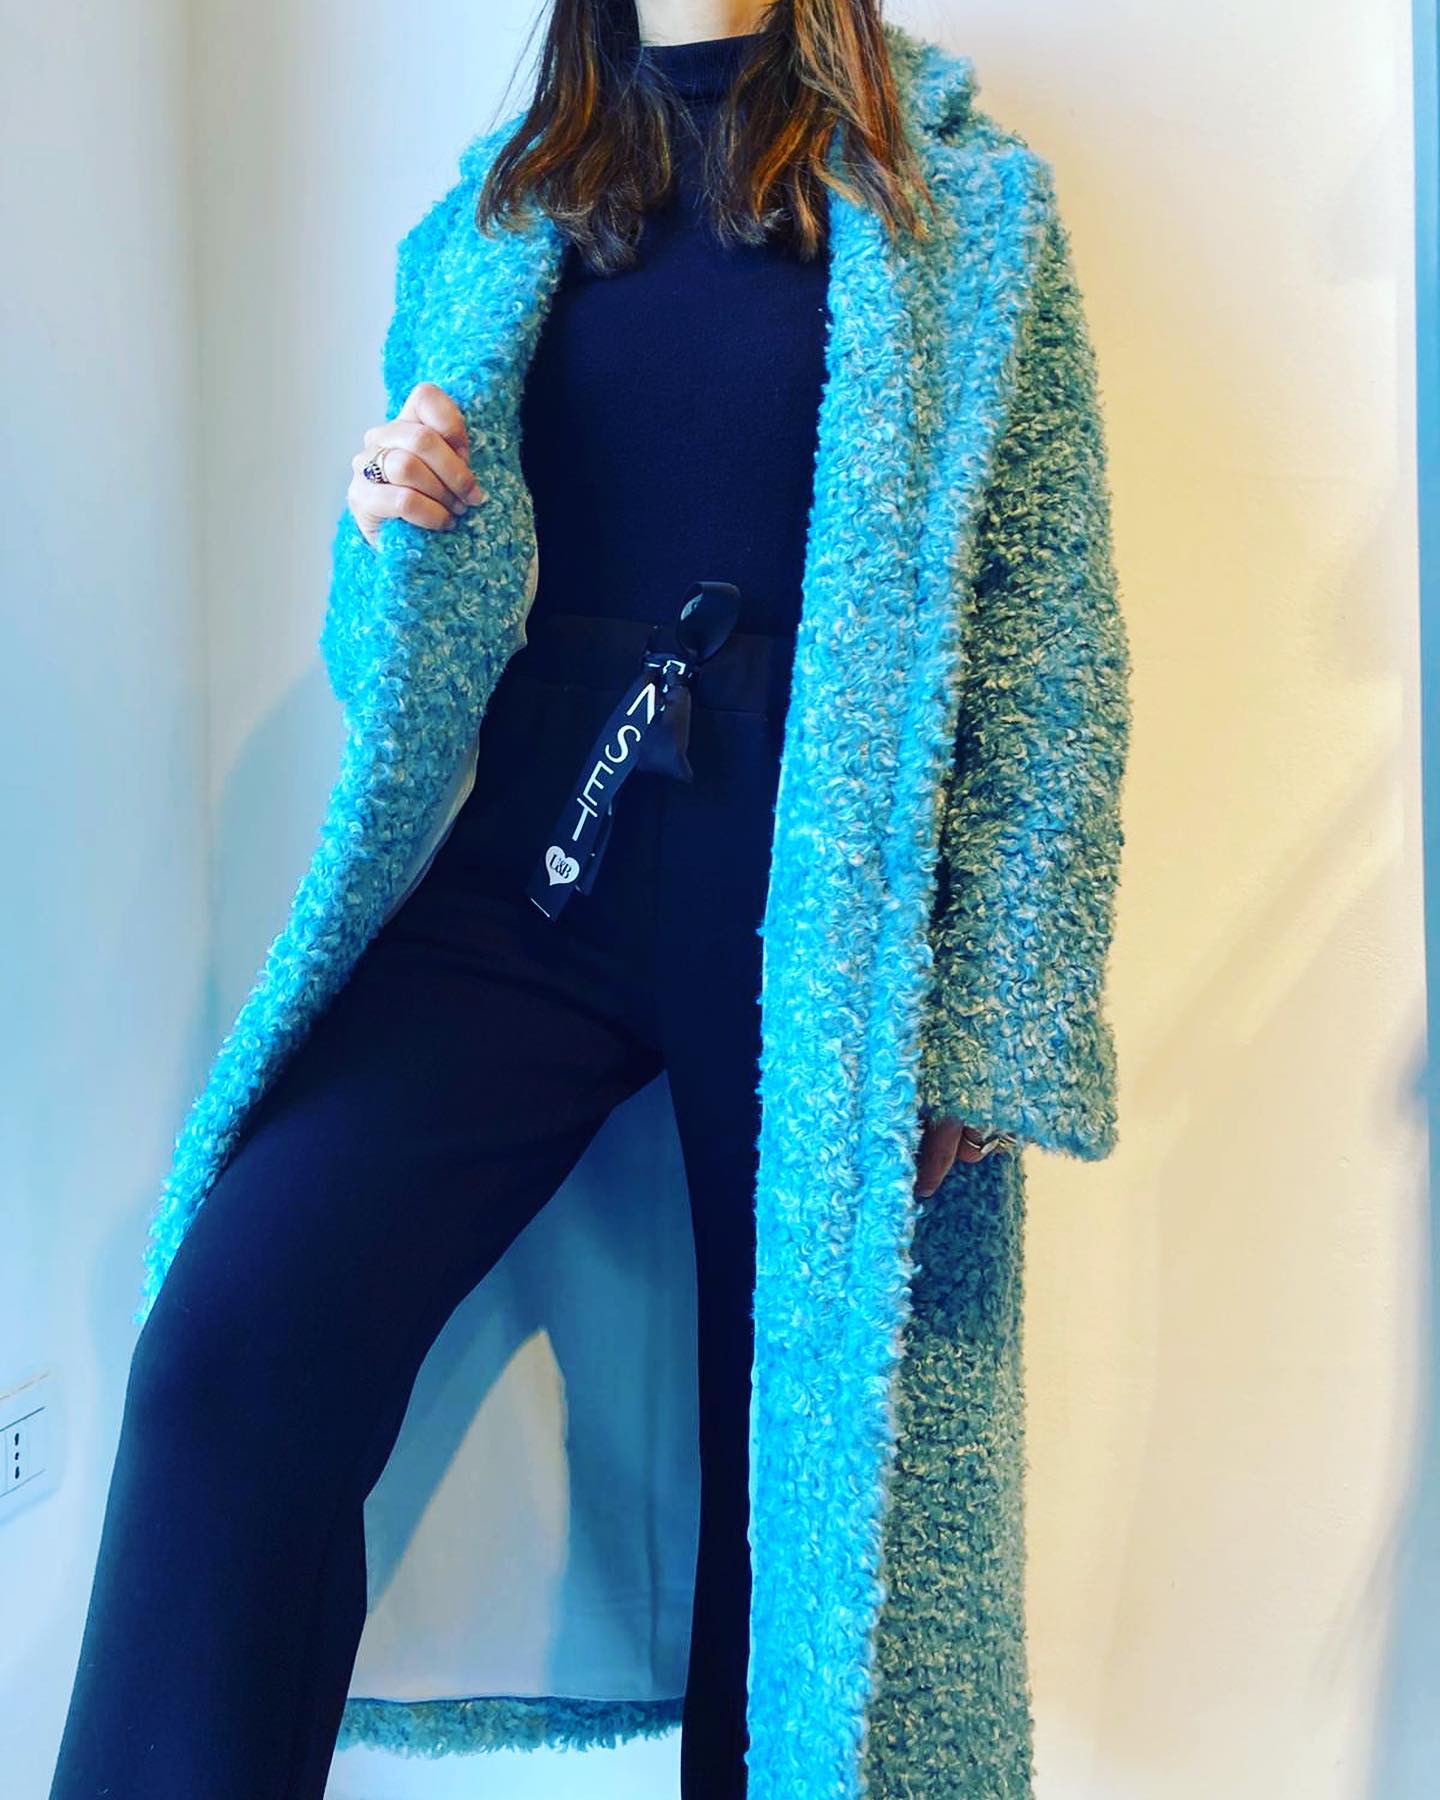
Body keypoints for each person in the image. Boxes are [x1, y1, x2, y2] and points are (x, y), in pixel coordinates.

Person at [50, 3, 1129, 1797]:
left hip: (822, 890)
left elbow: (1048, 631)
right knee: (229, 1358)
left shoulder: (963, 205)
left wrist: (992, 1019)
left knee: (803, 1528)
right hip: (538, 847)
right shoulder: (499, 209)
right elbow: (388, 660)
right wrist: (391, 527)